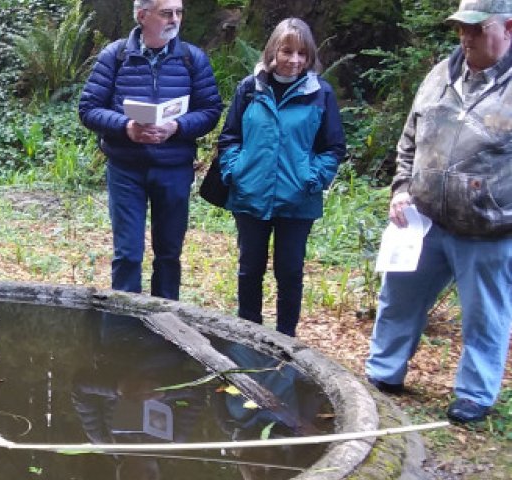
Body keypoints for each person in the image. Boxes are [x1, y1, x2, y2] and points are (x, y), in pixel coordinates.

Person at [366, 0, 512, 424]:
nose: (465, 36)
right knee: (398, 300)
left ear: (507, 29)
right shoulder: (440, 75)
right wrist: (400, 188)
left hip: (488, 230)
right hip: (424, 221)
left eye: (476, 28)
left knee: (485, 317)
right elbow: (409, 137)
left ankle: (473, 395)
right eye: (461, 28)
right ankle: (383, 374)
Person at [78, 0, 222, 300]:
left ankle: (166, 326)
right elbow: (89, 108)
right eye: (166, 13)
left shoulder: (192, 59)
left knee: (169, 254)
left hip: (174, 168)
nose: (175, 19)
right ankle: (124, 330)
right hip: (125, 169)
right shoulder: (115, 56)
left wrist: (177, 127)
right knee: (128, 254)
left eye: (179, 12)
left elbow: (210, 110)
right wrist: (126, 127)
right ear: (142, 16)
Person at [215, 18, 345, 337]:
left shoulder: (320, 94)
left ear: (310, 56)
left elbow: (333, 147)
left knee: (289, 272)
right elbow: (230, 137)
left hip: (297, 200)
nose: (294, 60)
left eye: (302, 53)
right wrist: (236, 171)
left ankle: (286, 339)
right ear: (274, 50)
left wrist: (311, 179)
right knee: (250, 270)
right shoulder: (250, 88)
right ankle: (248, 333)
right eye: (288, 51)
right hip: (250, 194)